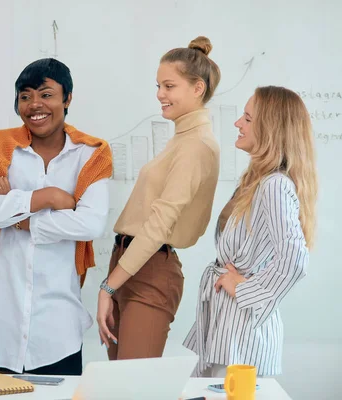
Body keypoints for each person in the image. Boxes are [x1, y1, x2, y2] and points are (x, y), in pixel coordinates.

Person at [0, 58, 112, 375]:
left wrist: (15, 213)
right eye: (25, 96)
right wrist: (49, 197)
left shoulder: (92, 153)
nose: (34, 105)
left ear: (67, 98)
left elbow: (90, 223)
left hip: (57, 326)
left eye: (46, 94)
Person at [96, 36, 221, 360]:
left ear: (197, 88)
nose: (159, 95)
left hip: (149, 269)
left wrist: (108, 286)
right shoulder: (182, 139)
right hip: (130, 263)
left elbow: (159, 224)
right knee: (118, 388)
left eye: (169, 86)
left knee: (133, 389)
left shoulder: (196, 145)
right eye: (158, 86)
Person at [183, 86, 317, 377]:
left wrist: (245, 290)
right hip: (227, 325)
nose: (237, 123)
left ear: (270, 128)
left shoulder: (274, 186)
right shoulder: (255, 181)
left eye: (247, 118)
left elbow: (295, 260)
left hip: (241, 332)